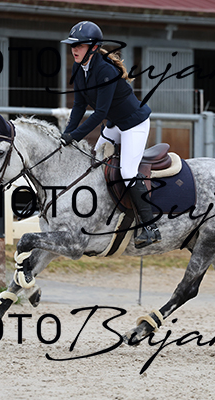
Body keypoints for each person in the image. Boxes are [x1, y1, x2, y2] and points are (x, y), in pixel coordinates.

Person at [59, 21, 161, 249]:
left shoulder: (106, 70)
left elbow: (100, 113)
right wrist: (66, 134)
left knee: (127, 172)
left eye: (79, 45)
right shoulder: (79, 67)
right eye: (72, 46)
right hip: (115, 123)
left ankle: (150, 227)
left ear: (93, 47)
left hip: (134, 124)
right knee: (94, 162)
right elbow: (78, 106)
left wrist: (75, 136)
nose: (74, 50)